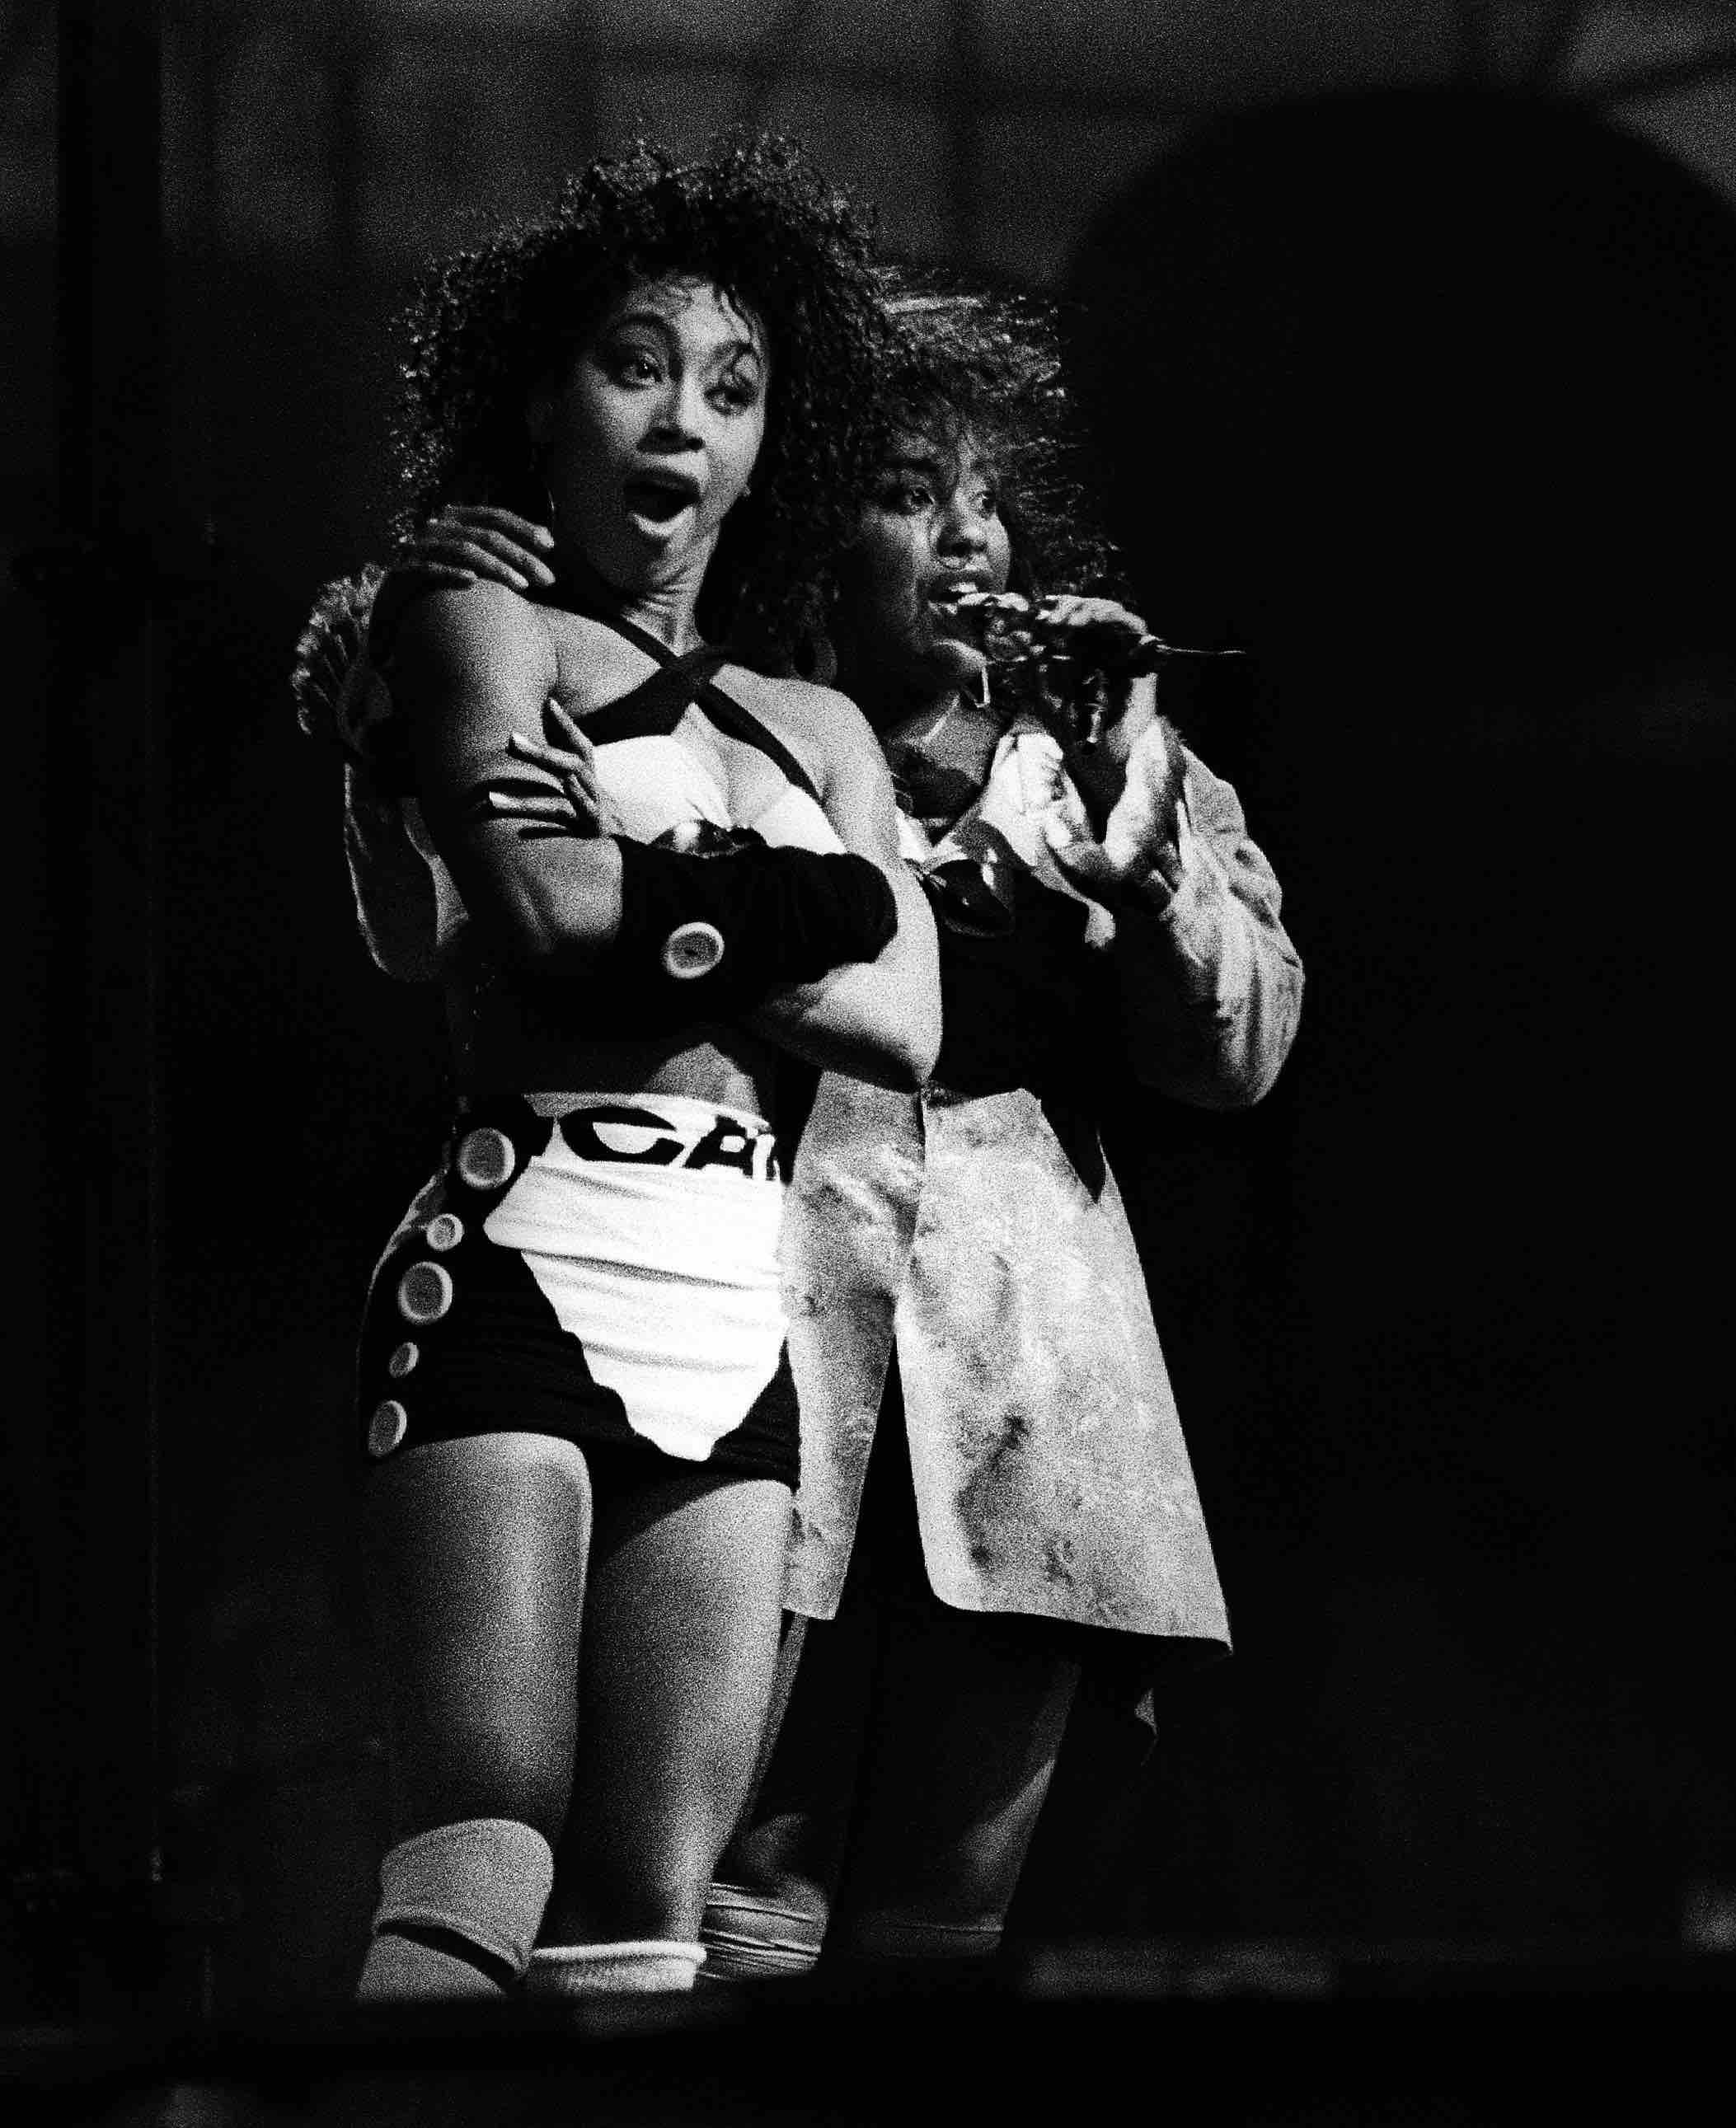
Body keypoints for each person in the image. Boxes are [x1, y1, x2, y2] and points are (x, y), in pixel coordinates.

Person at [373, 284, 1302, 1972]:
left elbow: (1227, 1058)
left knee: (947, 1924)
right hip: (773, 1310)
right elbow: (514, 913)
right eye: (907, 490)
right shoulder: (749, 727)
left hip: (1032, 1371)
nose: (966, 538)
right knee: (735, 1895)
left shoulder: (1098, 779)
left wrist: (1140, 823)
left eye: (986, 496)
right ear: (814, 521)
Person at [303, 134, 940, 2002]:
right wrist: (800, 893)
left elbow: (906, 1025)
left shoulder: (817, 714)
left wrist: (672, 888)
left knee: (651, 1917)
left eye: (729, 387)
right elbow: (546, 915)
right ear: (543, 397)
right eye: (636, 366)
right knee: (482, 1832)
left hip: (730, 1308)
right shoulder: (475, 618)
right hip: (515, 1252)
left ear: (770, 439)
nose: (681, 423)